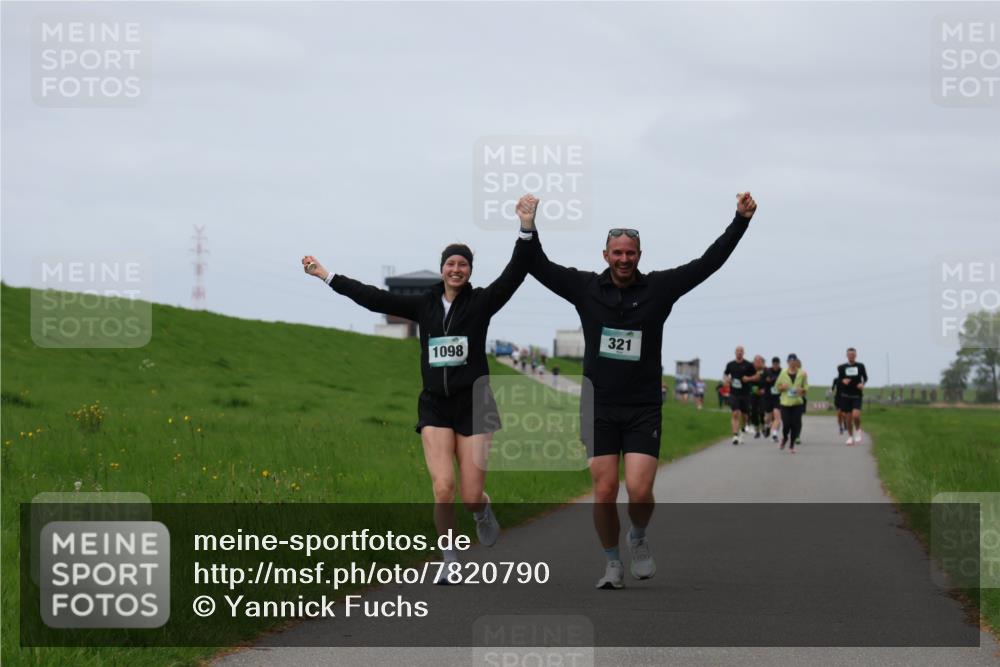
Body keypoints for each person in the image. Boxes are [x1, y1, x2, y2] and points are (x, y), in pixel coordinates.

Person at [302, 194, 540, 583]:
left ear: (470, 271)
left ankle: (482, 510)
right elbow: (373, 297)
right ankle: (450, 558)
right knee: (443, 487)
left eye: (463, 264)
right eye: (451, 263)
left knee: (469, 494)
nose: (456, 269)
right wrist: (327, 276)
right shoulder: (424, 305)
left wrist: (526, 228)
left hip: (475, 406)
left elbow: (515, 272)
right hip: (435, 406)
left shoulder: (482, 303)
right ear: (442, 268)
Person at [526, 191, 757, 589]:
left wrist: (740, 221)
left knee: (639, 489)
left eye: (630, 253)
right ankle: (612, 562)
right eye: (617, 253)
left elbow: (708, 264)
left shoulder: (659, 289)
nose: (623, 259)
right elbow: (539, 266)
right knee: (602, 490)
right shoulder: (585, 288)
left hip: (642, 406)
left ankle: (638, 536)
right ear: (605, 255)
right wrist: (528, 227)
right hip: (598, 404)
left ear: (639, 255)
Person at [723, 346, 756, 445]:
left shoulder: (749, 365)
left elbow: (756, 376)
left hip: (745, 393)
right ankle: (735, 435)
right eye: (738, 351)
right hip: (734, 393)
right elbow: (725, 374)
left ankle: (743, 429)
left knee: (745, 415)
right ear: (735, 353)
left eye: (741, 351)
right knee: (735, 413)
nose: (739, 353)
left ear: (743, 353)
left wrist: (749, 379)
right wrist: (727, 379)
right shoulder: (730, 364)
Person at [776, 353, 808, 452]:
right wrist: (782, 387)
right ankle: (785, 438)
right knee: (786, 424)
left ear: (796, 362)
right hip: (785, 403)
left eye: (794, 361)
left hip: (797, 403)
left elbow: (806, 388)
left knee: (794, 425)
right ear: (788, 362)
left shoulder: (802, 374)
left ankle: (791, 445)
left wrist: (802, 390)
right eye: (790, 361)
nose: (792, 363)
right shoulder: (783, 373)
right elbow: (777, 387)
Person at [837, 347, 869, 445]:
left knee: (856, 415)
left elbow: (865, 377)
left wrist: (862, 384)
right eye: (850, 354)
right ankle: (851, 437)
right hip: (846, 395)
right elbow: (839, 380)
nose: (851, 356)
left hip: (856, 395)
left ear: (856, 355)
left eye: (853, 354)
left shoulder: (860, 366)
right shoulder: (841, 367)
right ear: (847, 356)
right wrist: (843, 381)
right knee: (848, 418)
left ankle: (858, 429)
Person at [762, 356, 782, 441]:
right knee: (768, 418)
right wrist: (767, 381)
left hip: (778, 397)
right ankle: (767, 426)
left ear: (779, 364)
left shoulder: (782, 372)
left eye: (777, 364)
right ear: (772, 364)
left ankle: (774, 434)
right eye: (774, 364)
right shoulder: (767, 371)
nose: (776, 365)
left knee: (777, 416)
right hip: (768, 397)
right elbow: (762, 381)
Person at [747, 355, 767, 439]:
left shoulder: (766, 370)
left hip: (763, 393)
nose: (757, 363)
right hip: (753, 393)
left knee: (762, 411)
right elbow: (747, 380)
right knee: (753, 412)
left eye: (759, 361)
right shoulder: (750, 370)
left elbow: (770, 381)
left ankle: (763, 426)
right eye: (756, 361)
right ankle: (757, 430)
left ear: (762, 362)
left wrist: (765, 389)